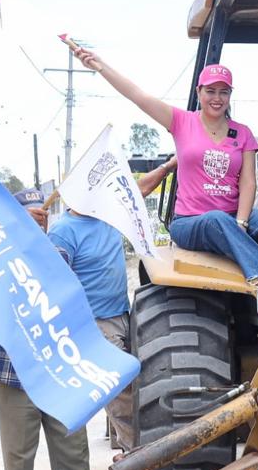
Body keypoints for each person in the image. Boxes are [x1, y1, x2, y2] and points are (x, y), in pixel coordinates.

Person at [74, 49, 258, 305]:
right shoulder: (181, 121)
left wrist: (241, 223)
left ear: (230, 96)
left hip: (232, 217)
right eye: (210, 91)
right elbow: (138, 96)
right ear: (199, 92)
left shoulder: (242, 133)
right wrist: (99, 65)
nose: (217, 98)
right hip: (190, 222)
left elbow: (248, 182)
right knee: (217, 219)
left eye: (224, 92)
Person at [47, 159, 176, 450]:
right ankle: (137, 455)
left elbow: (140, 188)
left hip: (122, 314)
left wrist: (169, 166)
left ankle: (128, 446)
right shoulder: (63, 232)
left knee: (139, 384)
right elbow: (55, 284)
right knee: (120, 390)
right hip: (94, 324)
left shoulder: (107, 215)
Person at [0, 189, 92, 470]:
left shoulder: (59, 256)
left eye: (43, 213)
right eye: (30, 214)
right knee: (18, 460)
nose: (39, 218)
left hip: (59, 373)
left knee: (73, 456)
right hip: (14, 374)